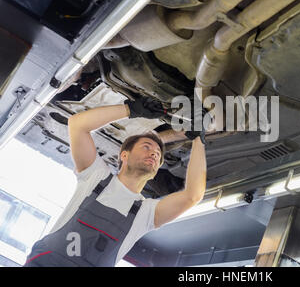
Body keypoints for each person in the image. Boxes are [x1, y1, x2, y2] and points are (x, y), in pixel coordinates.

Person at [24, 96, 207, 267]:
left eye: (158, 155)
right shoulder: (95, 177)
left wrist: (199, 139)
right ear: (124, 155)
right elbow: (77, 124)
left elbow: (193, 196)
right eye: (146, 147)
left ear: (155, 173)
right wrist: (131, 109)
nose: (154, 153)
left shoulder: (146, 213)